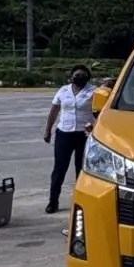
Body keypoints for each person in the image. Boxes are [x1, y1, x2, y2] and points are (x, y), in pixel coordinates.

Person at [43, 66, 95, 214]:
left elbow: (101, 111)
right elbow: (54, 111)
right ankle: (53, 202)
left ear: (88, 77)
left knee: (82, 170)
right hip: (64, 134)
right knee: (59, 170)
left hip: (84, 135)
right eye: (77, 75)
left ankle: (81, 203)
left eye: (83, 75)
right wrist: (48, 130)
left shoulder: (93, 92)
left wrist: (94, 126)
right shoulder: (63, 90)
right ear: (71, 76)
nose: (79, 77)